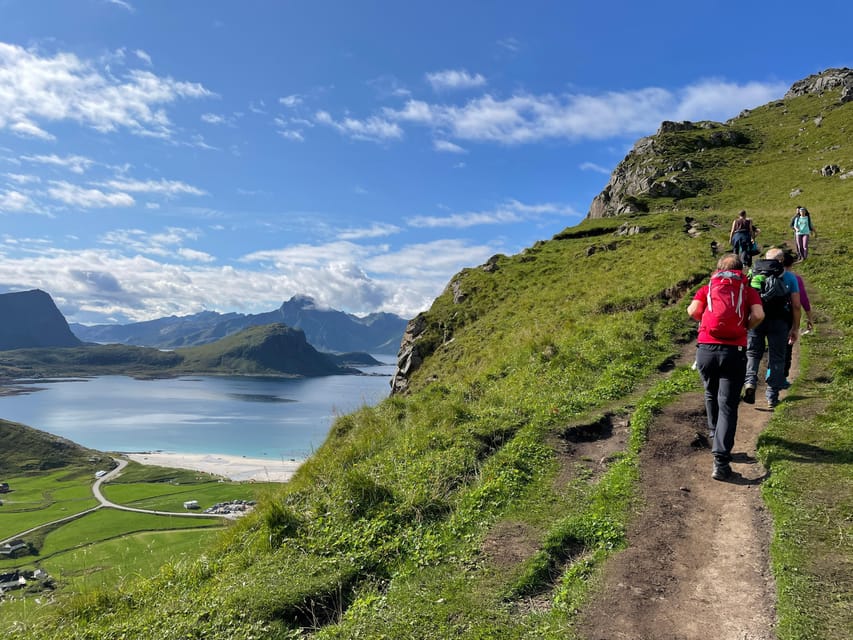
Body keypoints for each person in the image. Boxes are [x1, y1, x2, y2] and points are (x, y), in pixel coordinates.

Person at [688, 253, 764, 481]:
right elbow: (759, 314)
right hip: (734, 352)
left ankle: (714, 433)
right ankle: (721, 462)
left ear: (718, 269)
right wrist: (743, 327)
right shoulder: (747, 289)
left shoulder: (707, 287)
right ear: (741, 270)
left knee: (710, 393)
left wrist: (707, 324)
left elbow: (693, 311)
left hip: (706, 350)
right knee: (729, 405)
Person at [743, 248, 801, 409]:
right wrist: (795, 328)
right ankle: (772, 396)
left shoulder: (752, 273)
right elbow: (796, 305)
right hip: (780, 322)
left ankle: (749, 382)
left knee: (753, 353)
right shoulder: (789, 276)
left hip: (756, 318)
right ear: (781, 261)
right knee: (777, 357)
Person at [781, 251, 814, 385]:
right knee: (787, 347)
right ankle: (781, 379)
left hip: (768, 317)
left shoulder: (766, 276)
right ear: (792, 264)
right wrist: (809, 318)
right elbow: (803, 300)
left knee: (773, 349)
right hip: (788, 316)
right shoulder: (795, 278)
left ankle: (769, 375)